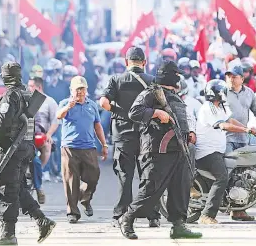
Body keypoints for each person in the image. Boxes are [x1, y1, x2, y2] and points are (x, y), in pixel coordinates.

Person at [120, 60, 202, 240]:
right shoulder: (151, 92)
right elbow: (134, 112)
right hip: (158, 151)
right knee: (151, 188)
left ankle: (179, 225)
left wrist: (189, 133)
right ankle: (127, 218)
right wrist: (156, 113)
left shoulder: (175, 96)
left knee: (180, 189)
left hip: (179, 150)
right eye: (176, 74)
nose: (179, 78)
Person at [0, 62, 56, 245]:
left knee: (6, 189)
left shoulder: (11, 96)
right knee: (18, 188)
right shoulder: (28, 94)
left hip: (9, 149)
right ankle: (41, 220)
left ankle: (8, 234)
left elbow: (2, 125)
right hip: (25, 148)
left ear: (5, 77)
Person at [99, 47, 160, 227]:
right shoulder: (152, 81)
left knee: (125, 176)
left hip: (123, 135)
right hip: (147, 135)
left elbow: (103, 103)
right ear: (144, 62)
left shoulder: (116, 80)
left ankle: (121, 215)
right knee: (147, 176)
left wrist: (120, 111)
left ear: (126, 62)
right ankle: (153, 216)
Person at [224, 65, 256, 221]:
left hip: (244, 140)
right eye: (229, 76)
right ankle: (216, 205)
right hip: (227, 138)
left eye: (234, 76)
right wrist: (245, 128)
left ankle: (239, 210)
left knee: (242, 176)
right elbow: (226, 118)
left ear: (242, 78)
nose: (231, 79)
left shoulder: (249, 93)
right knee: (225, 174)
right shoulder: (223, 92)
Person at [56, 76, 108, 223]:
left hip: (88, 147)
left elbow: (98, 126)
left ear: (86, 90)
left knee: (93, 176)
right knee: (71, 180)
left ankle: (85, 198)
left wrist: (103, 144)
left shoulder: (92, 105)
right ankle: (72, 212)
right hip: (69, 148)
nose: (80, 92)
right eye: (77, 89)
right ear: (71, 90)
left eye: (82, 89)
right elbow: (58, 115)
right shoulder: (65, 103)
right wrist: (68, 107)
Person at [195, 79, 234, 224]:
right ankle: (207, 215)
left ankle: (236, 210)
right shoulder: (208, 107)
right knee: (222, 177)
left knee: (233, 171)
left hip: (217, 151)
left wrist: (249, 129)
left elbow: (231, 120)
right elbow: (223, 125)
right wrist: (245, 130)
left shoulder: (221, 106)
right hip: (207, 152)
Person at [27, 77, 59, 204]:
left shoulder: (49, 102)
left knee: (46, 145)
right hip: (25, 135)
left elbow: (56, 120)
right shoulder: (26, 100)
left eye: (31, 86)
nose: (28, 88)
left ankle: (38, 181)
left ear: (38, 87)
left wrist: (49, 134)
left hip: (41, 135)